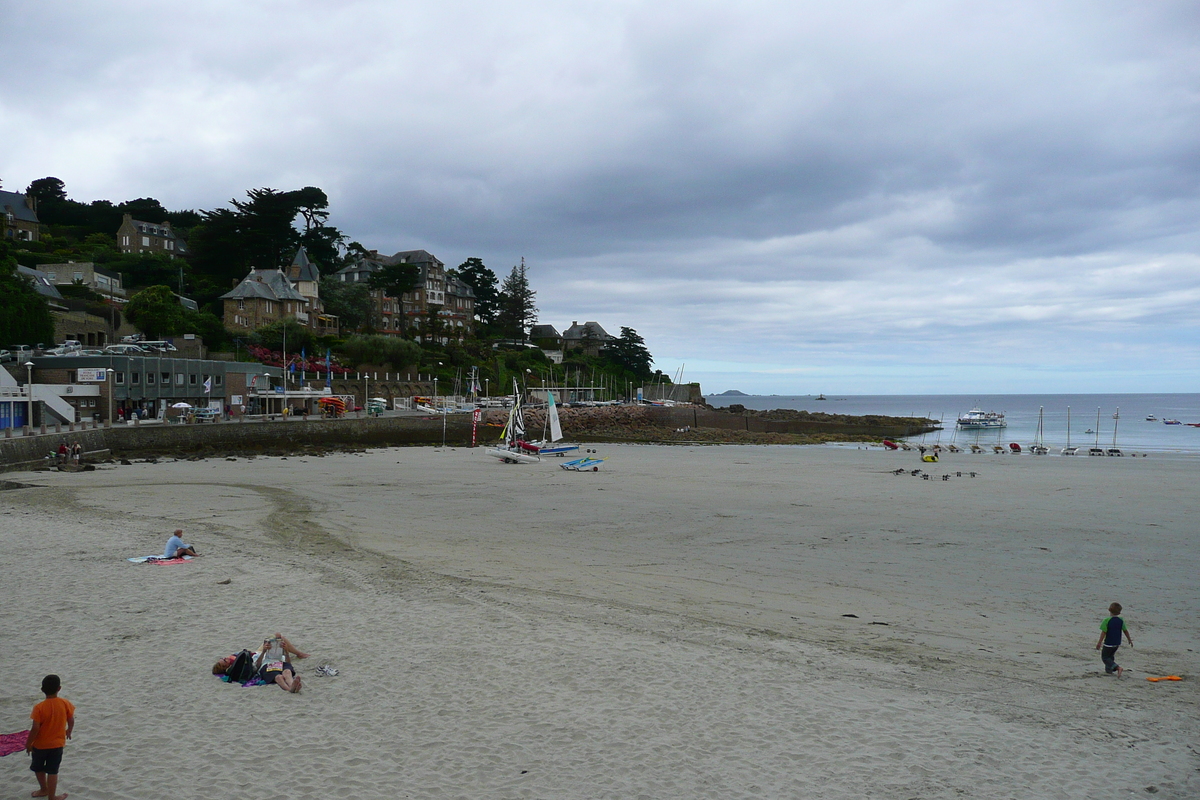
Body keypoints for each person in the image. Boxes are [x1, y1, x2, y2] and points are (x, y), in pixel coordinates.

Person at [25, 674, 74, 800]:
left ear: (42, 690)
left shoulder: (39, 707)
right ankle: (52, 796)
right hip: (57, 745)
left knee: (38, 768)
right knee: (53, 771)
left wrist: (29, 743)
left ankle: (43, 789)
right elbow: (71, 719)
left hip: (40, 745)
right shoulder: (65, 703)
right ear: (59, 688)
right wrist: (69, 730)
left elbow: (35, 728)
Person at [1096, 601, 1133, 678]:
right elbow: (1125, 630)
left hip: (1109, 643)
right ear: (1119, 613)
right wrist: (1129, 639)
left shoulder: (1106, 620)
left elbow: (1104, 632)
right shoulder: (1121, 620)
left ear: (1109, 610)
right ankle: (1109, 670)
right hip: (1117, 643)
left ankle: (1117, 668)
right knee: (1111, 656)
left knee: (1105, 657)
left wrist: (1099, 642)